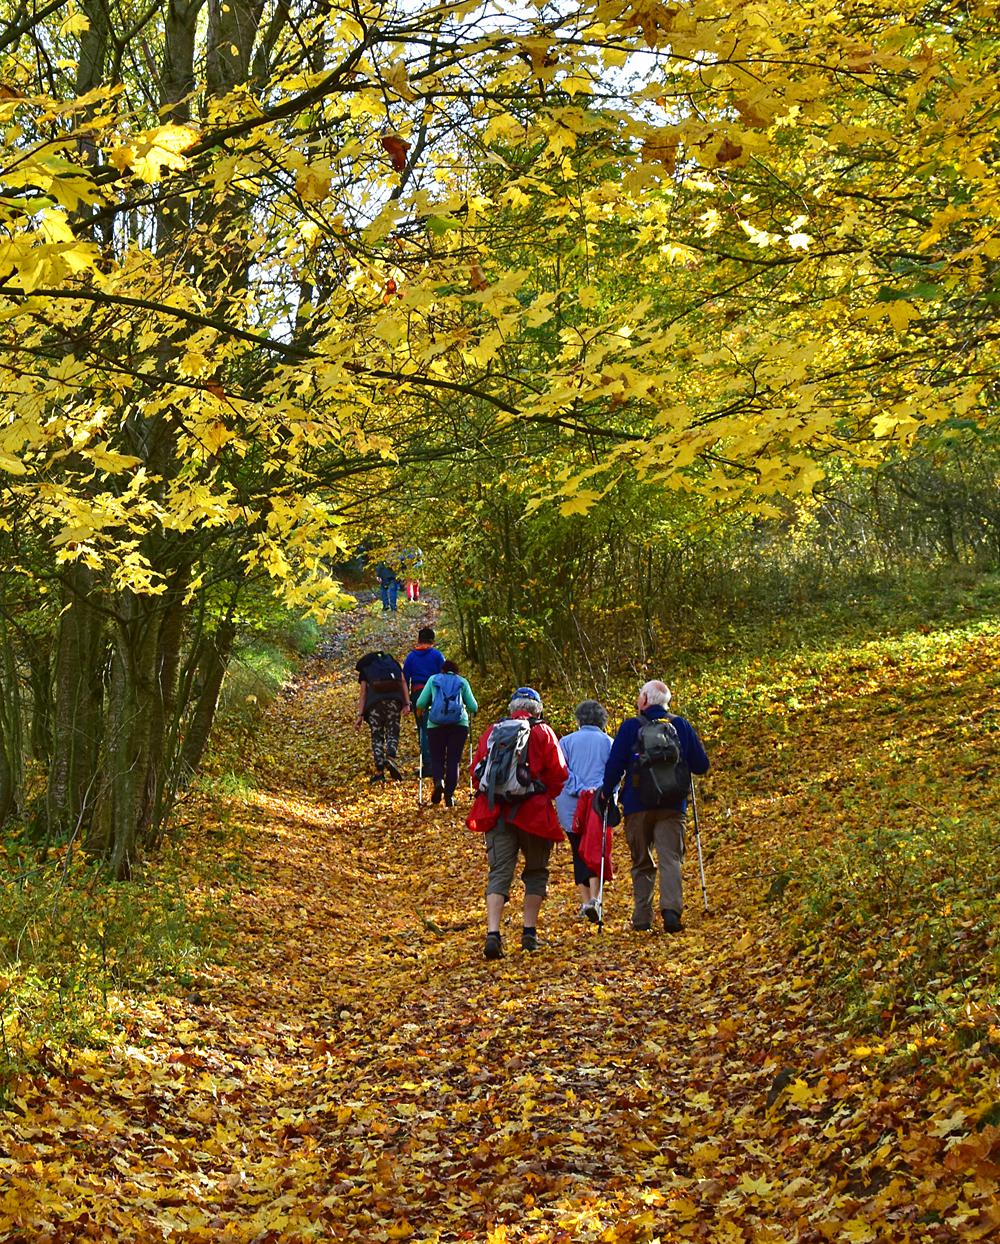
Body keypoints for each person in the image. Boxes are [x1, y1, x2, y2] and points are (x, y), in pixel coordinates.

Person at [598, 680, 709, 933]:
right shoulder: (680, 725)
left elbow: (614, 767)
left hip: (637, 804)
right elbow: (701, 765)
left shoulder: (629, 728)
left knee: (641, 862)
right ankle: (671, 912)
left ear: (645, 701)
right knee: (670, 858)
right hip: (673, 804)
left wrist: (606, 793)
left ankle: (642, 918)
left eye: (639, 697)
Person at [467, 688, 568, 958]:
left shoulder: (493, 732)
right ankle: (529, 934)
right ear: (538, 709)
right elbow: (559, 773)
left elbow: (477, 773)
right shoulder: (543, 733)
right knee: (536, 872)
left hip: (497, 811)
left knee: (499, 872)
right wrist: (543, 792)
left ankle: (493, 934)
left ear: (513, 709)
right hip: (534, 814)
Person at [555, 700, 614, 924]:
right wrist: (600, 791)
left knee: (577, 850)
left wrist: (580, 788)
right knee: (597, 849)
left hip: (571, 805)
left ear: (579, 719)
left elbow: (562, 771)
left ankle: (586, 900)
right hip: (600, 805)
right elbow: (614, 773)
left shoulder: (566, 742)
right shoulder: (609, 742)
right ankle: (596, 900)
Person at [415, 660, 478, 807]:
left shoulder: (433, 680)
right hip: (459, 725)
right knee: (453, 760)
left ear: (442, 670)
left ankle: (439, 782)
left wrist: (423, 710)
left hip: (435, 725)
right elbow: (473, 706)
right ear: (456, 671)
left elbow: (420, 703)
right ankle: (449, 796)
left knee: (437, 758)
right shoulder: (462, 682)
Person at [355, 650, 411, 781]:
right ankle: (390, 758)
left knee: (377, 736)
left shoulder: (366, 668)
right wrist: (406, 703)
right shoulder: (392, 663)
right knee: (393, 731)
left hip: (374, 705)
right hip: (394, 702)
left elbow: (363, 693)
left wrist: (360, 714)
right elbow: (402, 682)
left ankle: (380, 771)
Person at [402, 626, 445, 774]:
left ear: (419, 640)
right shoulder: (438, 656)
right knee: (437, 727)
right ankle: (437, 761)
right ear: (432, 641)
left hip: (418, 694)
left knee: (423, 728)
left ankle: (428, 764)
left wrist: (406, 701)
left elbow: (404, 680)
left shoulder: (411, 657)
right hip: (435, 694)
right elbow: (445, 676)